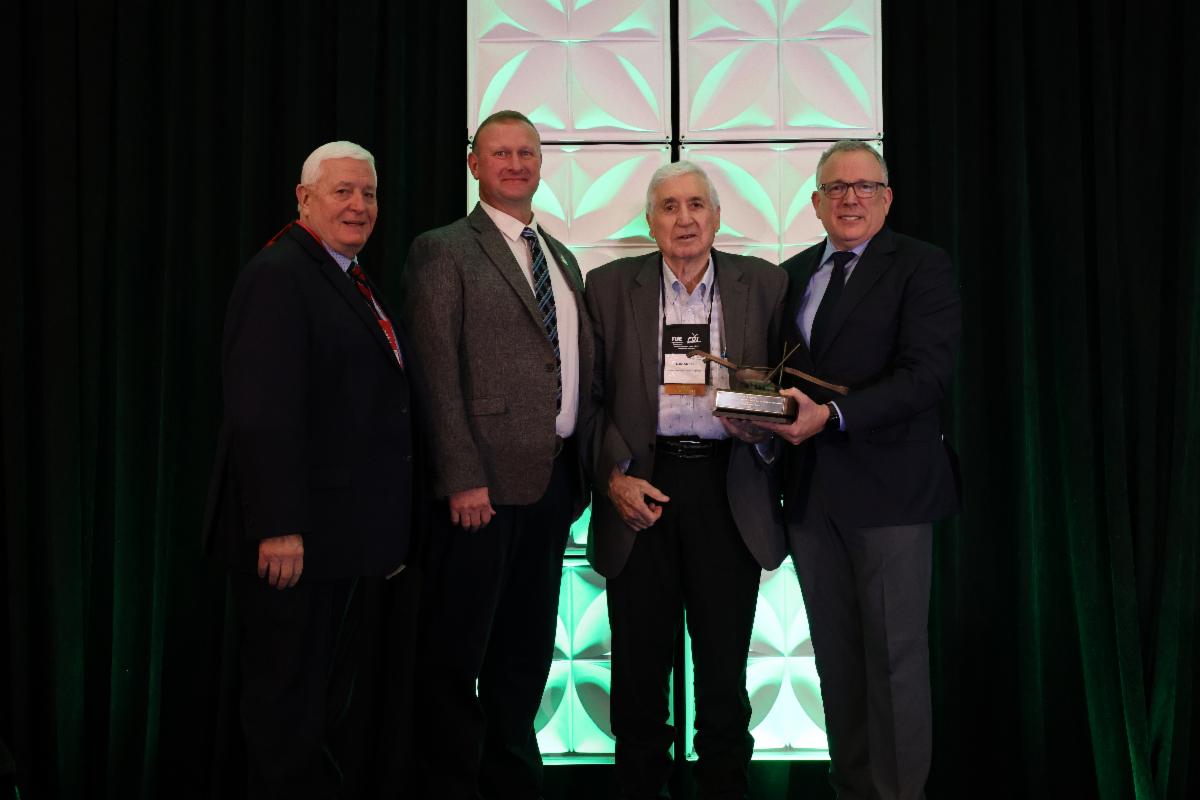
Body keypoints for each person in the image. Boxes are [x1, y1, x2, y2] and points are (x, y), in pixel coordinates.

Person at [202, 141, 419, 798]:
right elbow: (260, 412)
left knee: (320, 706)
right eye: (343, 191)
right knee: (287, 711)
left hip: (341, 543)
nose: (359, 205)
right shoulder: (279, 275)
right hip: (296, 545)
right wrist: (279, 527)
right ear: (304, 199)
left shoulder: (347, 274)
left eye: (369, 193)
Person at [756, 140, 961, 800]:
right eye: (836, 189)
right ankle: (852, 791)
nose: (850, 198)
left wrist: (833, 418)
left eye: (864, 187)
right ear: (815, 203)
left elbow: (925, 377)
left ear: (888, 198)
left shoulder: (922, 267)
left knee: (895, 665)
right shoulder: (788, 276)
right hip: (813, 501)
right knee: (838, 666)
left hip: (891, 495)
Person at [400, 110, 593, 799]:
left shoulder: (561, 255)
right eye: (500, 153)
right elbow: (433, 370)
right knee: (458, 656)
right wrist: (460, 477)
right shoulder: (443, 248)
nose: (516, 163)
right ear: (474, 164)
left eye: (527, 152)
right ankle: (451, 785)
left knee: (525, 652)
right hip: (477, 493)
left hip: (550, 487)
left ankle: (512, 778)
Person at [584, 160, 788, 799]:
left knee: (724, 676)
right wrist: (613, 476)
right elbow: (586, 396)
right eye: (669, 206)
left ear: (717, 217)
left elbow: (792, 386)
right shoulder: (610, 287)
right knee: (640, 676)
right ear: (650, 221)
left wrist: (768, 427)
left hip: (729, 488)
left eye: (696, 204)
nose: (685, 218)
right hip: (641, 485)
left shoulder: (767, 284)